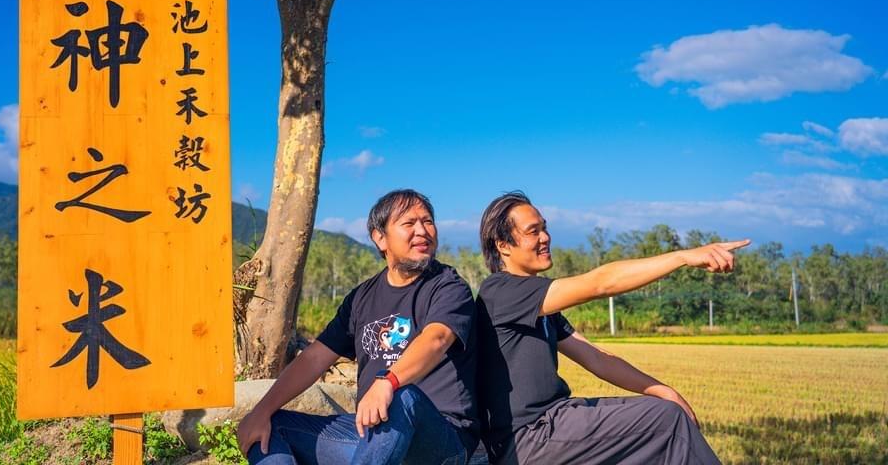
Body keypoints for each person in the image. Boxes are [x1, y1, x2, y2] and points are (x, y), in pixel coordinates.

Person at [475, 191, 749, 465]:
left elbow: (597, 358)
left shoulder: (539, 304)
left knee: (663, 410)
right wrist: (683, 257)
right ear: (503, 245)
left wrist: (661, 390)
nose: (545, 237)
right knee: (668, 422)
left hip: (554, 419)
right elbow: (600, 283)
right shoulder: (501, 291)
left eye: (544, 228)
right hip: (528, 438)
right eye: (533, 231)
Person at [237, 189, 479, 465]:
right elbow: (314, 358)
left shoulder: (449, 286)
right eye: (409, 223)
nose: (422, 231)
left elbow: (437, 338)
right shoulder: (362, 298)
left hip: (439, 441)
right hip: (375, 439)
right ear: (380, 238)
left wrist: (388, 381)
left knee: (403, 397)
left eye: (428, 221)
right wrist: (262, 410)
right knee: (268, 424)